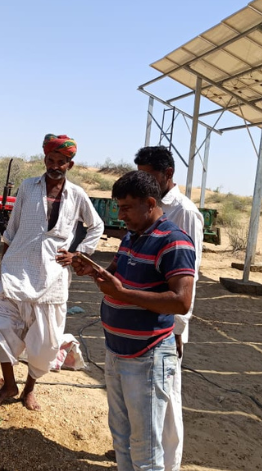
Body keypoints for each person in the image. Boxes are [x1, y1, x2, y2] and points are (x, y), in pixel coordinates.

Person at [73, 171, 196, 470]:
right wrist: (93, 271)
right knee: (122, 437)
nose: (120, 215)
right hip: (116, 351)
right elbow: (116, 275)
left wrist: (123, 294)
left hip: (148, 356)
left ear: (150, 203)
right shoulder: (131, 236)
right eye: (119, 207)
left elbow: (181, 301)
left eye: (126, 207)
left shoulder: (175, 241)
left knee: (145, 446)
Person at [0, 134, 104, 410]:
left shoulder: (77, 194)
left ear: (70, 165)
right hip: (17, 270)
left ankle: (29, 389)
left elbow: (96, 226)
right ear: (45, 159)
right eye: (51, 160)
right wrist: (2, 265)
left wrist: (79, 254)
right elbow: (12, 228)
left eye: (61, 162)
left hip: (53, 277)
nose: (55, 166)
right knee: (1, 327)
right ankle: (9, 384)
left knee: (46, 342)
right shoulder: (28, 187)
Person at [134, 145, 204, 470]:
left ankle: (169, 464)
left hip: (168, 324)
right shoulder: (148, 205)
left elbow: (190, 276)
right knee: (144, 395)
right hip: (145, 318)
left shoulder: (185, 212)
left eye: (149, 176)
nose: (144, 183)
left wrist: (177, 327)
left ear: (168, 174)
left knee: (167, 398)